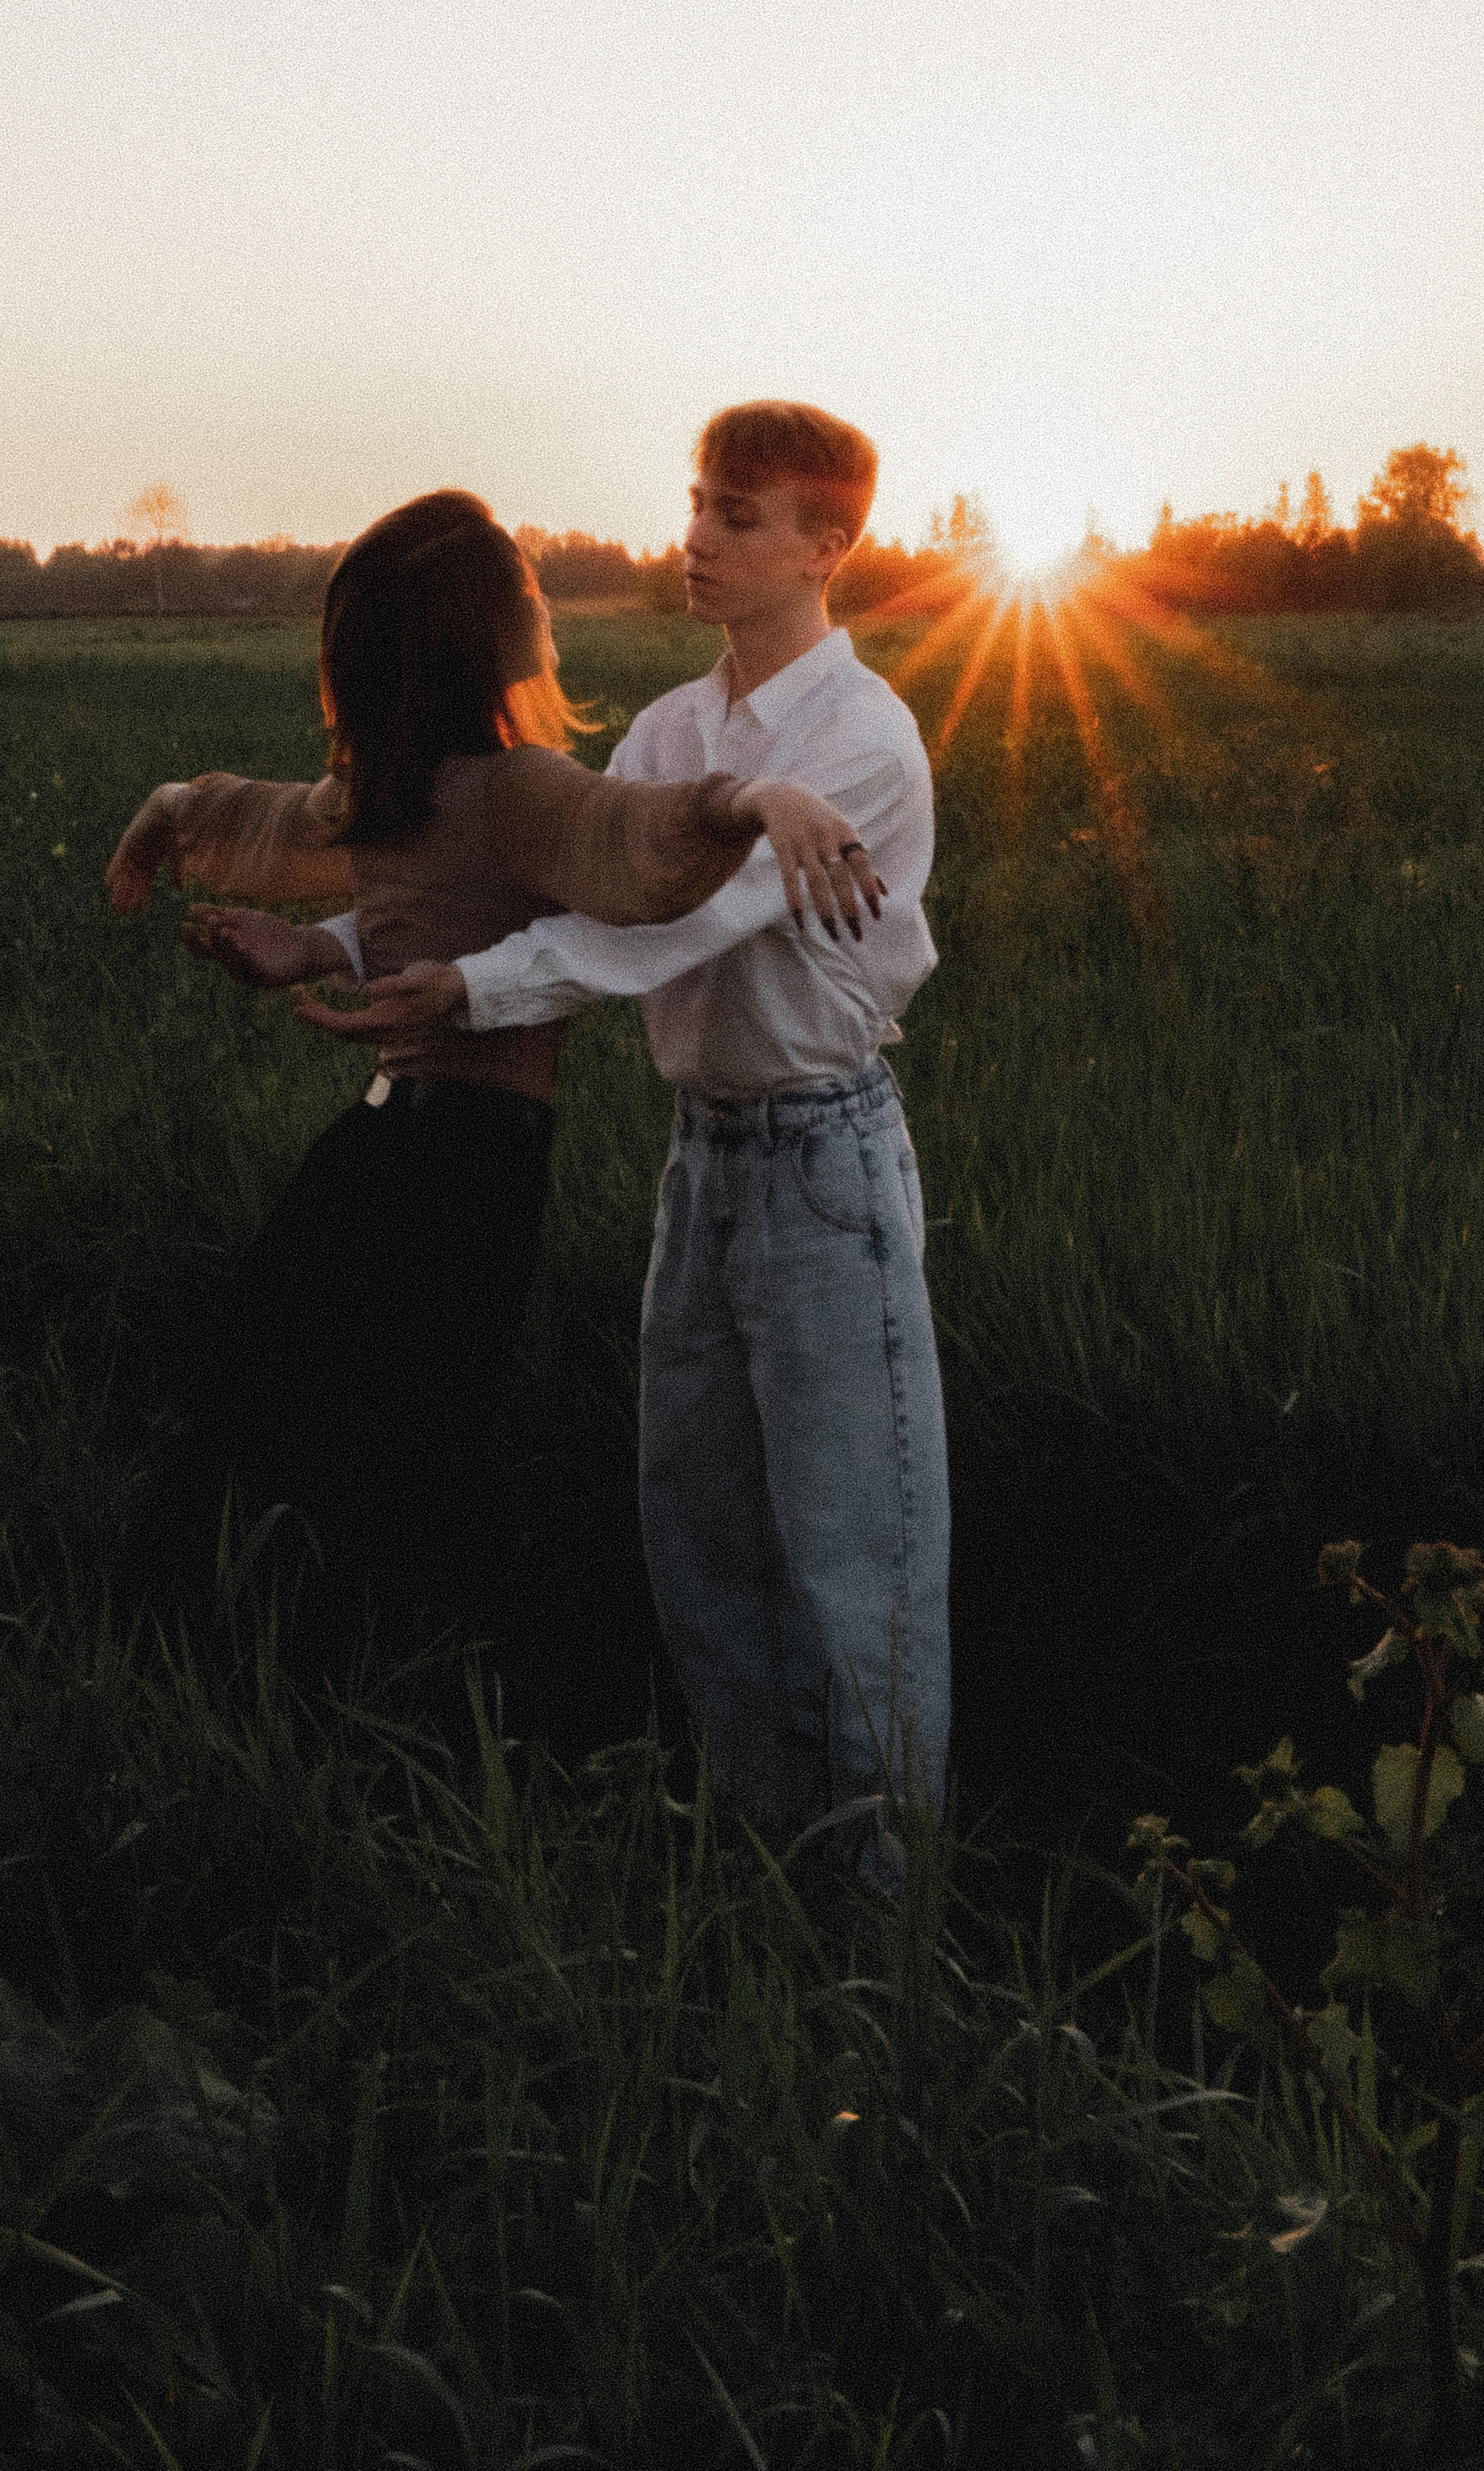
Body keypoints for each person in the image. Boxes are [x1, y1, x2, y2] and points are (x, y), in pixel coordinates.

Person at [297, 409, 947, 1877]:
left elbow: (677, 926)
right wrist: (340, 941)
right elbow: (552, 894)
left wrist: (471, 992)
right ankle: (765, 1861)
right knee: (697, 1538)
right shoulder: (671, 735)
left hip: (826, 1164)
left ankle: (883, 1905)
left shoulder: (860, 741)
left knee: (858, 1559)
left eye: (737, 516)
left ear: (828, 546)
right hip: (702, 1160)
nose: (696, 539)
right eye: (697, 504)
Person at [104, 487, 880, 1667]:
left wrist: (174, 820)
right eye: (526, 584)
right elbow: (629, 841)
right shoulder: (486, 787)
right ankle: (321, 1674)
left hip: (410, 1151)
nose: (544, 600)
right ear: (492, 631)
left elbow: (623, 841)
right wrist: (758, 798)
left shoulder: (445, 789)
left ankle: (273, 1670)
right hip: (450, 1160)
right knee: (363, 1438)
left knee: (313, 1426)